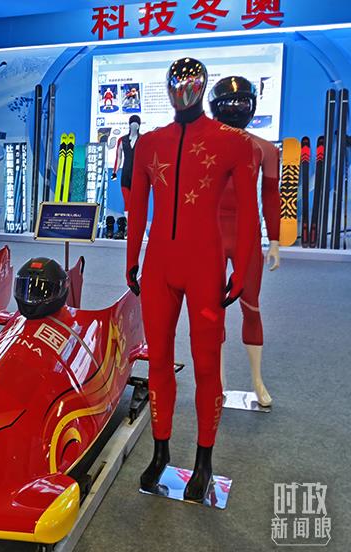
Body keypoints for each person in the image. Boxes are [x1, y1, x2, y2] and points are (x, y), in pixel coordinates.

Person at [126, 58, 259, 502]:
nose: (182, 91)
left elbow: (248, 211)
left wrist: (242, 266)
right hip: (159, 265)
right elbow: (138, 208)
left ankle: (204, 460)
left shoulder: (232, 143)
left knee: (205, 364)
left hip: (205, 265)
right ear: (167, 89)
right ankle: (160, 451)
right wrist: (132, 258)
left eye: (190, 84)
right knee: (159, 361)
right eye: (175, 84)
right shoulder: (149, 143)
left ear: (202, 89)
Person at [210, 75, 281, 407]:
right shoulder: (203, 145)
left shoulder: (265, 149)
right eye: (230, 102)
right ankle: (218, 378)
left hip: (246, 235)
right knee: (212, 308)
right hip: (210, 233)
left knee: (251, 306)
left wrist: (275, 240)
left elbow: (270, 196)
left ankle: (257, 379)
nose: (237, 108)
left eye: (243, 102)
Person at [112, 115, 142, 211]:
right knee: (127, 201)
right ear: (129, 125)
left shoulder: (143, 139)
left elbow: (147, 158)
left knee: (137, 202)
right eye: (132, 124)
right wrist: (114, 172)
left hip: (138, 175)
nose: (134, 126)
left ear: (139, 126)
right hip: (125, 174)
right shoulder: (122, 140)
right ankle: (127, 220)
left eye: (136, 124)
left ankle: (136, 220)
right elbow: (119, 157)